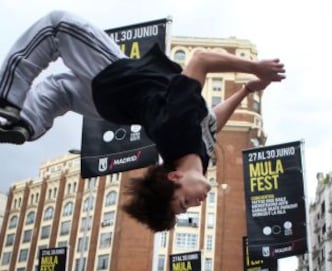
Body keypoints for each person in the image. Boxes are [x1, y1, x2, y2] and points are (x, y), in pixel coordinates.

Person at [0, 11, 286, 232]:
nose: (195, 204)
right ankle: (27, 124)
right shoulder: (197, 155)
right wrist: (247, 90)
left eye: (184, 202)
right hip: (110, 107)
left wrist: (254, 67)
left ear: (175, 177)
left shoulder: (179, 124)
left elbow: (200, 60)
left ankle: (6, 101)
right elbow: (214, 122)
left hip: (117, 79)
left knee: (57, 26)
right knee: (60, 90)